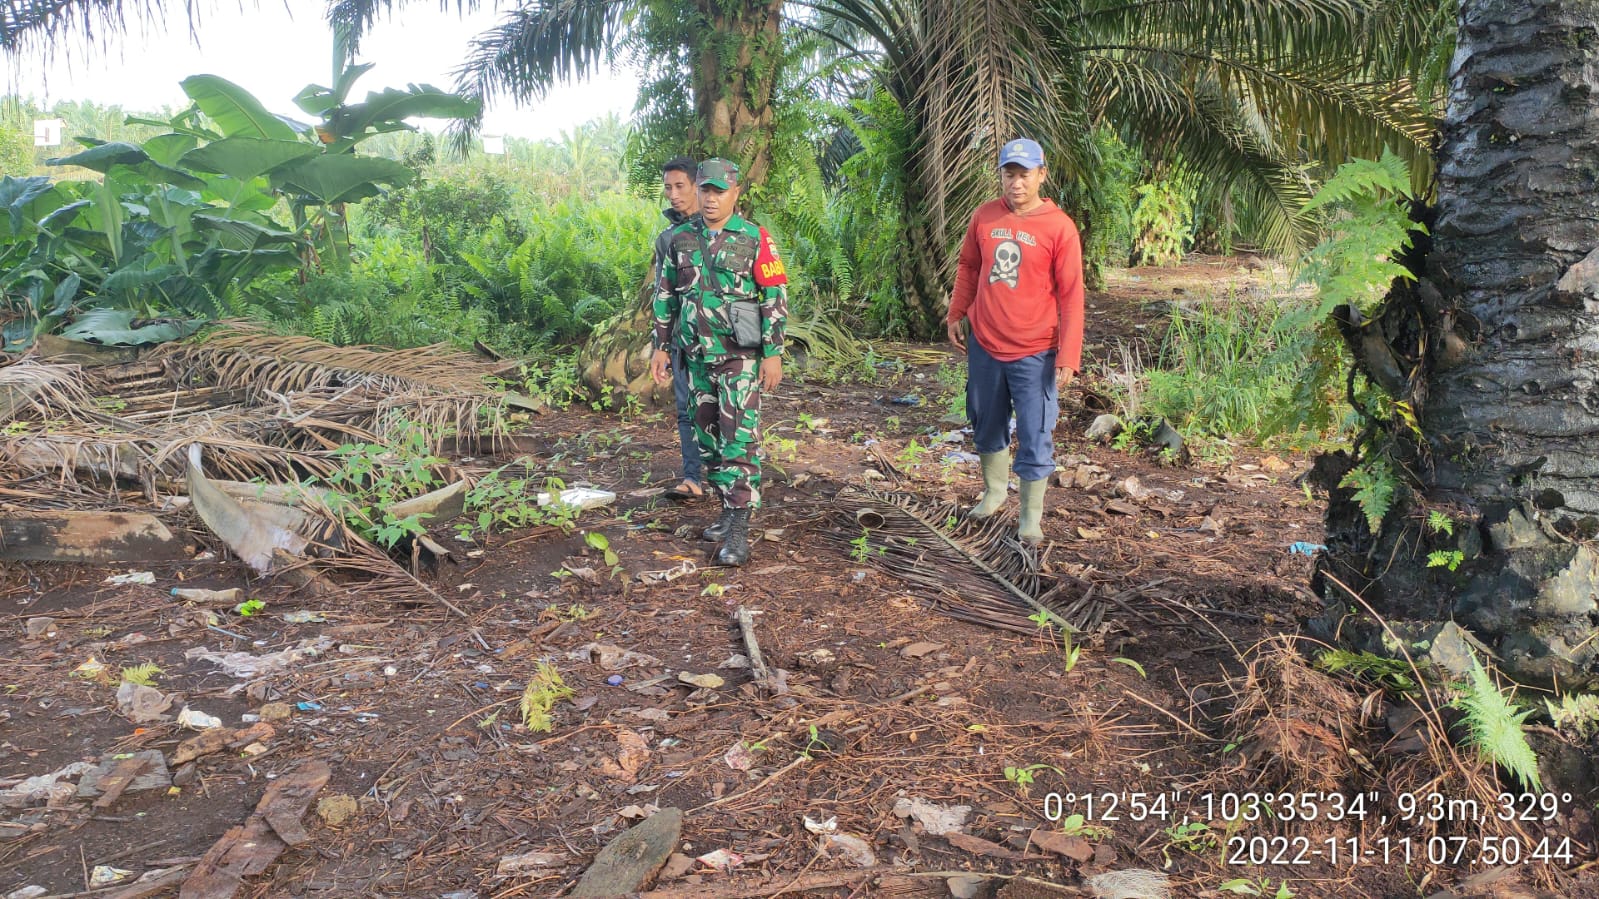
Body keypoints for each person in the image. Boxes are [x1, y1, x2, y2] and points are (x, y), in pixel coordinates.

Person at [649, 158, 788, 567]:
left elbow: (774, 298)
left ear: (735, 193)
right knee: (708, 440)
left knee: (738, 441)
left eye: (719, 192)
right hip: (695, 357)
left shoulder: (755, 238)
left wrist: (773, 353)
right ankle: (727, 515)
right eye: (705, 191)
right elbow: (665, 294)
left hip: (739, 359)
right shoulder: (679, 238)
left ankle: (740, 530)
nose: (710, 199)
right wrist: (660, 346)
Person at [946, 137, 1084, 544]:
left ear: (1042, 174)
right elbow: (969, 266)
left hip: (1036, 350)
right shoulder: (984, 217)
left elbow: (1072, 293)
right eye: (1010, 173)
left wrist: (1069, 355)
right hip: (985, 345)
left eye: (1025, 174)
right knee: (985, 421)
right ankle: (992, 493)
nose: (1017, 183)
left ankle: (1029, 516)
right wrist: (957, 312)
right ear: (1001, 175)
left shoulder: (1059, 227)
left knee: (1035, 430)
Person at [653, 156, 707, 501]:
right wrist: (660, 344)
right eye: (668, 188)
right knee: (687, 410)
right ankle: (692, 478)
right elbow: (663, 294)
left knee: (725, 412)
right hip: (683, 340)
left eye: (680, 186)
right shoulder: (668, 239)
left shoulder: (729, 229)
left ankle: (733, 484)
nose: (673, 194)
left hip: (726, 343)